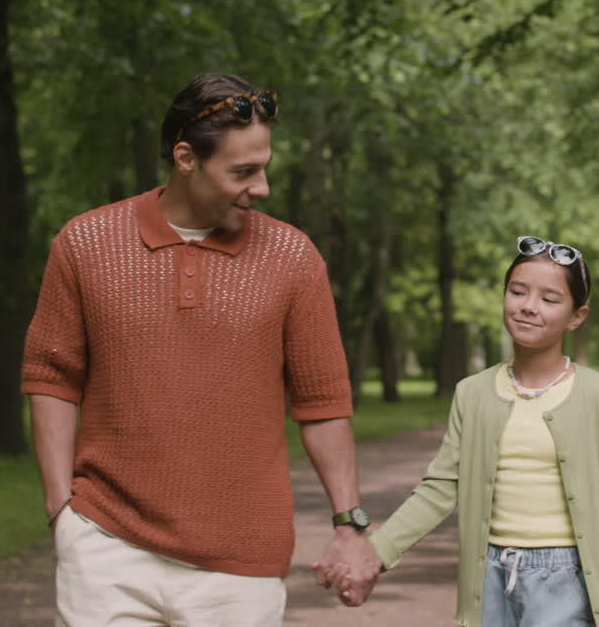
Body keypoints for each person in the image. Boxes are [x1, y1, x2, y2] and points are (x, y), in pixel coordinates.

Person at [23, 73, 380, 625]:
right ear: (186, 158)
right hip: (106, 546)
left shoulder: (293, 257)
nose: (261, 187)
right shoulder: (86, 243)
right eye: (242, 172)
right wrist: (60, 511)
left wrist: (350, 525)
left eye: (264, 167)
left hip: (241, 563)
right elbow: (52, 379)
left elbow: (323, 404)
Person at [337, 237, 599, 626]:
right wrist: (376, 553)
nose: (528, 306)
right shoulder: (472, 393)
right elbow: (438, 488)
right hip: (489, 578)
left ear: (577, 316)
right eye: (517, 291)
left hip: (567, 579)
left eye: (549, 299)